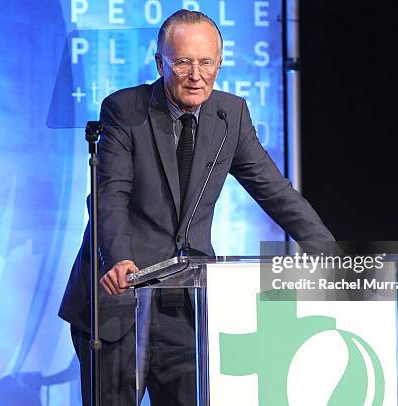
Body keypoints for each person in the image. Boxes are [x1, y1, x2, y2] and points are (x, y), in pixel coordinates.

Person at [59, 9, 334, 406]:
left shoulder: (231, 115)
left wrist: (331, 257)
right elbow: (109, 196)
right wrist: (118, 258)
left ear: (219, 63)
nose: (196, 74)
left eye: (206, 62)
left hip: (185, 307)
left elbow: (276, 192)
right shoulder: (125, 110)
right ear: (160, 63)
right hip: (118, 303)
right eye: (183, 62)